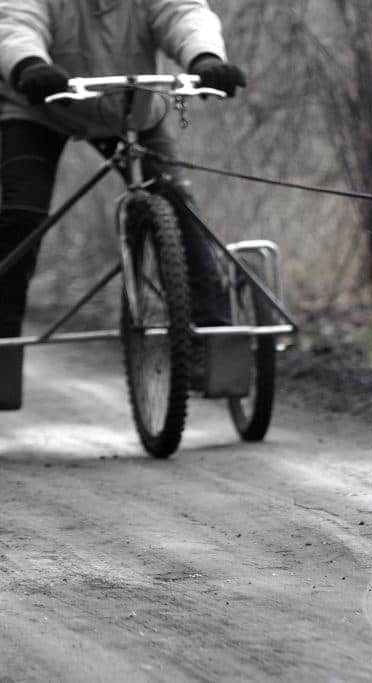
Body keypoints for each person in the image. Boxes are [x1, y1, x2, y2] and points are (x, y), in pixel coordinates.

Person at [0, 1, 247, 408]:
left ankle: (209, 338)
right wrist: (28, 65)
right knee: (22, 213)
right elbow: (17, 20)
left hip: (130, 110)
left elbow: (182, 12)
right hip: (39, 105)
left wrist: (204, 58)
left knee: (176, 203)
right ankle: (4, 341)